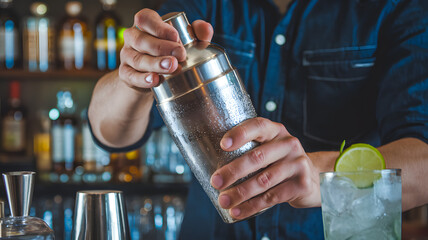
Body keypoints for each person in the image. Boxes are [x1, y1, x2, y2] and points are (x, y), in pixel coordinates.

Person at [88, 0, 428, 239]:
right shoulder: (205, 5)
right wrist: (134, 77)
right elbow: (110, 133)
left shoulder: (392, 6)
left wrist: (320, 174)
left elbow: (423, 162)